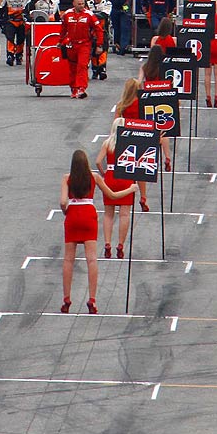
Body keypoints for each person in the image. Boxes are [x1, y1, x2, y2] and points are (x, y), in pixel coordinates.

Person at [61, 149, 124, 314]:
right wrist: (131, 190)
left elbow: (62, 201)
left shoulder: (67, 178)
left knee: (68, 260)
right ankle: (92, 300)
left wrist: (65, 211)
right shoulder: (94, 177)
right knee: (92, 260)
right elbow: (112, 195)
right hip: (88, 214)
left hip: (73, 214)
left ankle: (67, 299)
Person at [96, 106, 147, 260]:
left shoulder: (107, 143)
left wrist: (105, 173)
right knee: (124, 214)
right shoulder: (131, 142)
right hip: (125, 175)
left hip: (111, 176)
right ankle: (121, 244)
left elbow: (98, 161)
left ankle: (107, 242)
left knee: (108, 213)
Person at [58, 0, 100, 99]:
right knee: (72, 68)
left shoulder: (89, 14)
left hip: (85, 44)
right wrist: (60, 41)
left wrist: (99, 45)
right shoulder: (67, 14)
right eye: (79, 4)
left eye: (83, 3)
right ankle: (74, 89)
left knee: (82, 66)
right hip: (71, 45)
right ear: (74, 4)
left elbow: (99, 29)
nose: (81, 6)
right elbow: (63, 30)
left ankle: (81, 88)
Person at [2, 0, 35, 66]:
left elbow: (31, 7)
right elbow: (2, 7)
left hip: (22, 21)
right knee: (10, 38)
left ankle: (19, 55)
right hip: (11, 20)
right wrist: (1, 20)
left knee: (21, 39)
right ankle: (10, 55)